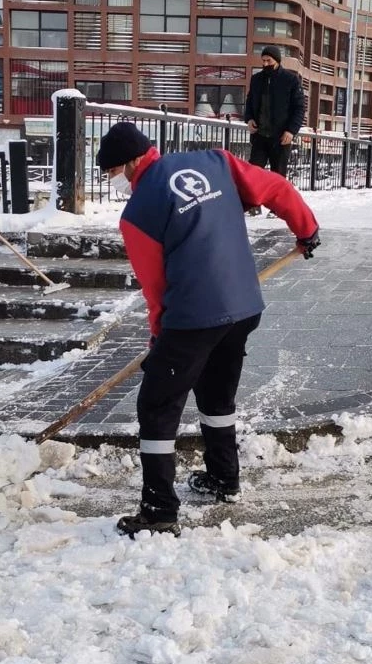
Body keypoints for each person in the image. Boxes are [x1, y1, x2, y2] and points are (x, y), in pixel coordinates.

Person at [95, 121, 320, 538]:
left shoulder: (138, 212)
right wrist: (306, 230)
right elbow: (277, 189)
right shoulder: (216, 162)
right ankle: (223, 477)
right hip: (243, 307)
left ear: (130, 162)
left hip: (194, 317)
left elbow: (156, 289)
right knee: (217, 394)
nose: (116, 182)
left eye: (113, 173)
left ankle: (159, 510)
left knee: (157, 406)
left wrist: (159, 337)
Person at [243, 44, 305, 217]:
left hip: (281, 137)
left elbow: (299, 108)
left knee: (278, 175)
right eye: (262, 61)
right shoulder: (256, 80)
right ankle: (253, 205)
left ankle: (276, 208)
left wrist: (291, 131)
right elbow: (249, 103)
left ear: (277, 61)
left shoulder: (291, 80)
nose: (264, 64)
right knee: (254, 172)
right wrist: (249, 119)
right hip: (260, 136)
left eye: (268, 61)